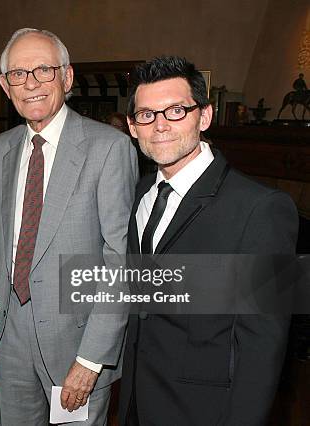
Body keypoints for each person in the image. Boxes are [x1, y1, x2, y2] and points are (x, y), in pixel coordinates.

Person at [119, 56, 298, 425]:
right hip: (137, 401)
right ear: (132, 127)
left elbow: (263, 346)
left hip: (203, 411)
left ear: (204, 116)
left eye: (176, 111)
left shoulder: (262, 209)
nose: (160, 126)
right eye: (147, 115)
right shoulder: (139, 194)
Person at [0, 28, 138, 425]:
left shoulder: (109, 148)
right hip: (8, 337)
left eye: (43, 70)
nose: (30, 83)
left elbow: (121, 261)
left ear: (67, 77)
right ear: (4, 86)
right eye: (18, 74)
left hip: (76, 342)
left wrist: (92, 357)